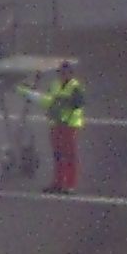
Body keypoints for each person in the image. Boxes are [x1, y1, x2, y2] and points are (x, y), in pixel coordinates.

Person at [43, 60, 86, 192]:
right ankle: (58, 182)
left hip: (69, 125)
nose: (63, 75)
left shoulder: (75, 87)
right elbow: (48, 101)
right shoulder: (54, 85)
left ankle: (69, 184)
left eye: (65, 73)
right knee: (57, 154)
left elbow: (78, 104)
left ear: (70, 73)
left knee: (69, 155)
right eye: (61, 72)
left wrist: (63, 106)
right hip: (56, 124)